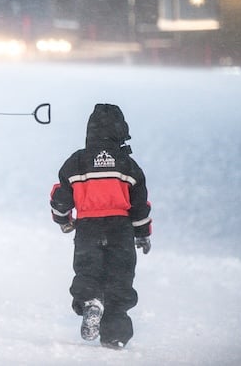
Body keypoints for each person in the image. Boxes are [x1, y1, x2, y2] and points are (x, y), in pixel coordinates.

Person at [50, 103, 152, 349]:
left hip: (88, 228)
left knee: (88, 271)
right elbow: (140, 204)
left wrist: (63, 219)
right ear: (121, 131)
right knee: (120, 279)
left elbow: (60, 198)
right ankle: (114, 335)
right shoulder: (128, 165)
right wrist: (142, 233)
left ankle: (91, 300)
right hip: (121, 229)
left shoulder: (76, 162)